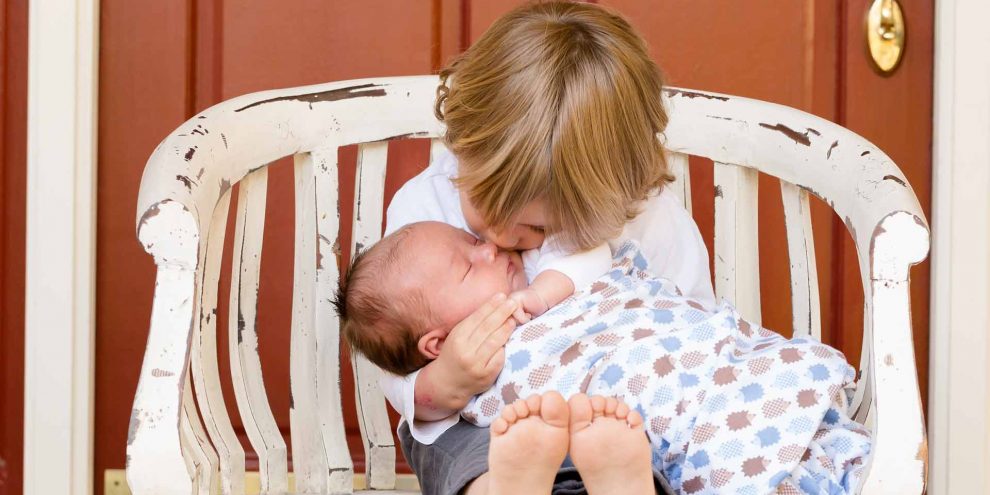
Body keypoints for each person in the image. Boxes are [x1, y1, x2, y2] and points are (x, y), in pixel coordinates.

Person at [372, 2, 716, 493]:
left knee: (645, 445)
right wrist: (440, 383)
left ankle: (625, 485)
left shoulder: (647, 219)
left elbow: (692, 326)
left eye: (537, 229)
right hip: (496, 425)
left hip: (619, 416)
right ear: (462, 147)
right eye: (485, 209)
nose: (501, 242)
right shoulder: (424, 207)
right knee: (445, 443)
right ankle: (500, 487)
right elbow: (394, 338)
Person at [336, 222, 871, 494]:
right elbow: (421, 411)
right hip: (620, 422)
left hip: (714, 373)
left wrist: (542, 294)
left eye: (473, 241)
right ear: (436, 342)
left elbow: (595, 259)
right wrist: (449, 375)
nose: (490, 249)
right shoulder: (471, 354)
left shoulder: (544, 267)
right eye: (468, 267)